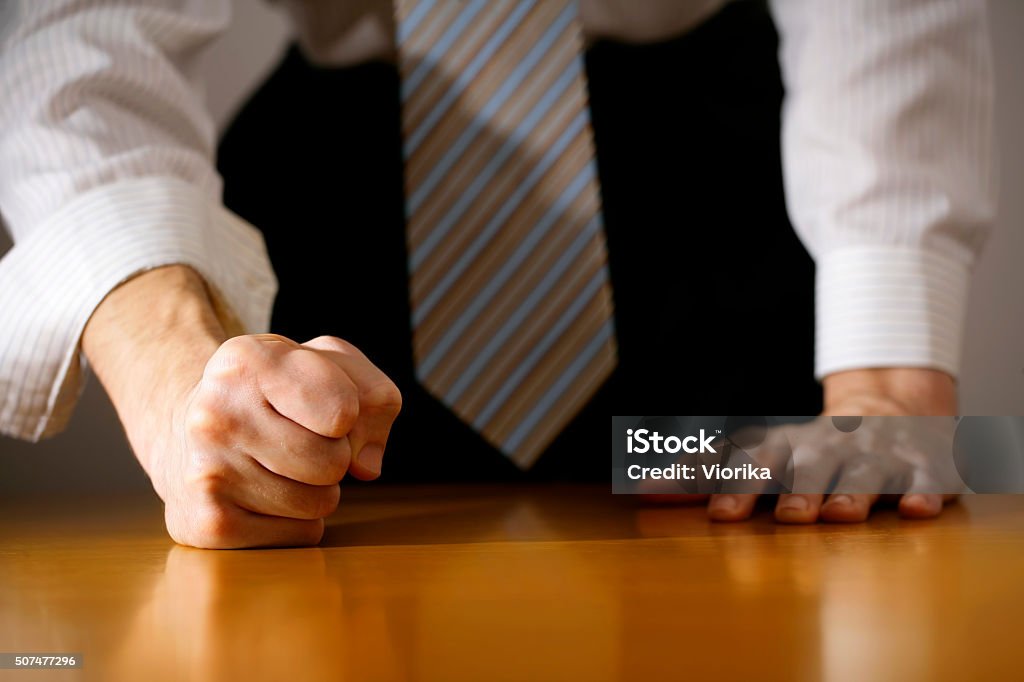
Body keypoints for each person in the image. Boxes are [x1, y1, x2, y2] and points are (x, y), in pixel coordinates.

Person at [0, 0, 995, 548]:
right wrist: (179, 382)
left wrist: (885, 377)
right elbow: (80, 28)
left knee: (794, 567)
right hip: (342, 212)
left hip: (724, 198)